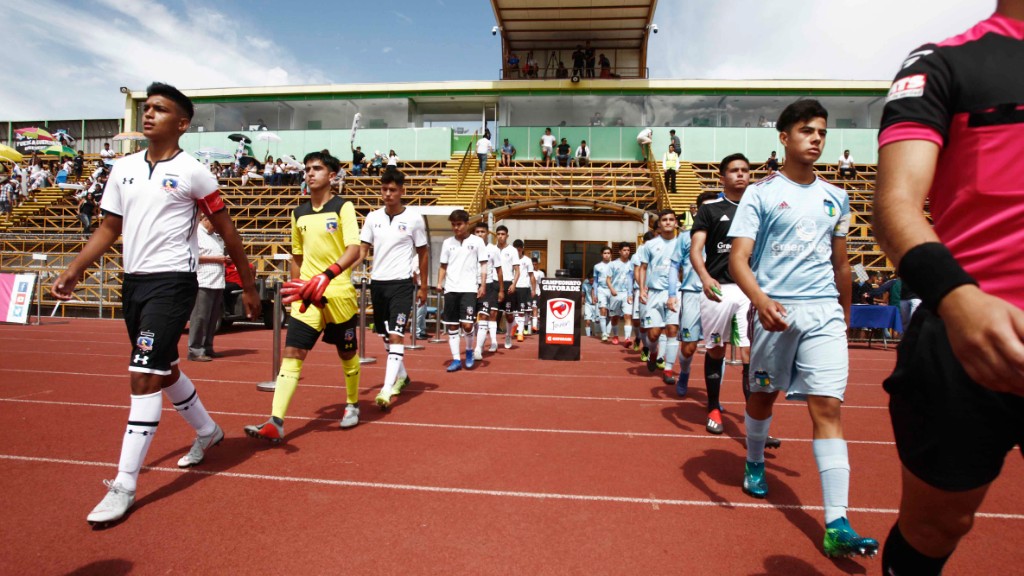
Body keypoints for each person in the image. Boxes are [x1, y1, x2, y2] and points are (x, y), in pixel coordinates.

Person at [51, 82, 260, 526]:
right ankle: (208, 431)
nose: (148, 114)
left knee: (142, 374)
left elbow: (228, 231)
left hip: (173, 282)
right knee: (162, 367)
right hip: (134, 283)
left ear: (181, 123)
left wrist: (251, 285)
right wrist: (75, 268)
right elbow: (108, 228)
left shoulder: (195, 172)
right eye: (146, 108)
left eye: (159, 109)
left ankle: (124, 484)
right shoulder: (123, 168)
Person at [873, 5, 1024, 573]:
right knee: (938, 524)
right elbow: (894, 205)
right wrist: (958, 299)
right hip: (964, 334)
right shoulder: (943, 63)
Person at [729, 99, 877, 557]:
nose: (816, 138)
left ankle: (837, 523)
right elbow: (738, 259)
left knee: (828, 408)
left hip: (825, 313)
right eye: (807, 131)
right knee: (762, 395)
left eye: (822, 132)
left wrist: (846, 317)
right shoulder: (761, 193)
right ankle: (754, 461)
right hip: (776, 309)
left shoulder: (837, 196)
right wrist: (760, 301)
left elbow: (842, 265)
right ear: (784, 137)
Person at [245, 151, 363, 442]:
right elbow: (297, 256)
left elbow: (354, 250)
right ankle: (276, 421)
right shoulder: (298, 213)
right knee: (292, 355)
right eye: (307, 169)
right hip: (307, 297)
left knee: (347, 353)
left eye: (318, 169)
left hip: (338, 294)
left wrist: (328, 274)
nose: (310, 173)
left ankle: (352, 403)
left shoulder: (343, 207)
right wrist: (296, 287)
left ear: (332, 176)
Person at [359, 168, 429, 410]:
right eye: (384, 189)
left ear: (402, 191)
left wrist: (423, 285)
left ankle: (386, 389)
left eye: (393, 190)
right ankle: (403, 376)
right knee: (385, 336)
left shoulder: (414, 218)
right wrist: (344, 270)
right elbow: (362, 250)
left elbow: (423, 251)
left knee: (398, 334)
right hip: (378, 284)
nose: (388, 194)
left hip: (401, 284)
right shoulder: (372, 217)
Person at [437, 209, 487, 372]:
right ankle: (456, 360)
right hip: (451, 288)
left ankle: (469, 351)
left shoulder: (477, 242)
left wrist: (483, 284)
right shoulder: (447, 243)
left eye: (459, 224)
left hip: (468, 289)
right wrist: (439, 283)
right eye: (453, 224)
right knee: (452, 326)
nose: (456, 228)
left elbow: (483, 264)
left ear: (467, 224)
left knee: (466, 325)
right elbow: (443, 265)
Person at [637, 210, 680, 377]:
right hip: (654, 293)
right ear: (659, 224)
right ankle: (653, 353)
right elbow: (643, 268)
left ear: (676, 223)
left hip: (674, 292)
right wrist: (642, 289)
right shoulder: (650, 245)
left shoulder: (682, 244)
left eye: (671, 219)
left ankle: (668, 369)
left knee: (671, 330)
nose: (668, 222)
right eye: (664, 220)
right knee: (653, 334)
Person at [187, 213, 227, 362]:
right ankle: (195, 349)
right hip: (203, 280)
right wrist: (217, 259)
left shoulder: (215, 236)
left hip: (217, 281)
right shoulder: (195, 233)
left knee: (212, 318)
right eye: (214, 222)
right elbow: (191, 256)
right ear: (206, 219)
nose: (217, 225)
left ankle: (207, 347)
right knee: (200, 317)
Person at [472, 222, 504, 358]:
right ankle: (481, 336)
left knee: (486, 315)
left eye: (482, 232)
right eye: (477, 232)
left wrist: (501, 290)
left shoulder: (493, 249)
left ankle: (478, 348)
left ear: (487, 234)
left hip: (488, 286)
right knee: (471, 321)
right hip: (470, 286)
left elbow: (499, 270)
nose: (480, 234)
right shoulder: (470, 247)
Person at [496, 225, 520, 348]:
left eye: (503, 234)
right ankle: (493, 342)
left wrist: (513, 284)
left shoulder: (512, 250)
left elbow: (517, 270)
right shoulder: (492, 249)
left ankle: (508, 336)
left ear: (507, 236)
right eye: (498, 234)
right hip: (494, 283)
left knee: (509, 315)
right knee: (492, 314)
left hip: (507, 283)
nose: (500, 236)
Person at [607, 243, 634, 345]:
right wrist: (612, 289)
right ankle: (615, 335)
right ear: (619, 251)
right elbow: (608, 279)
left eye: (628, 250)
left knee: (628, 315)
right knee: (615, 317)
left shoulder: (632, 264)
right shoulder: (613, 264)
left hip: (627, 294)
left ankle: (627, 339)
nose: (626, 252)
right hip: (615, 293)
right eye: (624, 250)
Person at [511, 239, 536, 342]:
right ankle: (515, 325)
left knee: (522, 312)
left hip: (523, 288)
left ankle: (520, 332)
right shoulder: (510, 259)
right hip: (512, 287)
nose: (517, 252)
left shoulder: (527, 260)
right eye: (516, 250)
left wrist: (533, 289)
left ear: (522, 249)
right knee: (510, 312)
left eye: (519, 250)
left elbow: (531, 276)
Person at [592, 246, 614, 342]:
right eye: (605, 253)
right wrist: (595, 294)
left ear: (611, 254)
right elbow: (595, 281)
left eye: (608, 253)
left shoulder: (614, 265)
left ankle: (608, 332)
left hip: (612, 290)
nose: (606, 255)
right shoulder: (597, 266)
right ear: (602, 254)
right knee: (603, 310)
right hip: (602, 290)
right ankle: (604, 333)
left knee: (612, 313)